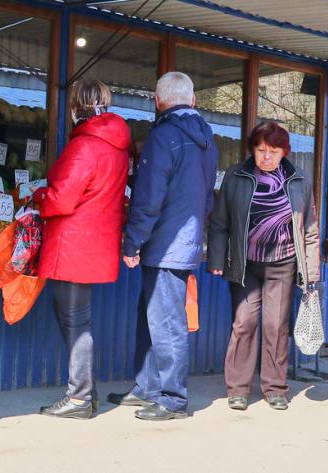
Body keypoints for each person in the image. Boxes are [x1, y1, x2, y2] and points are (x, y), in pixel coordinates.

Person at [109, 72, 218, 421]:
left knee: (167, 322)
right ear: (193, 101)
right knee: (152, 317)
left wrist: (132, 242)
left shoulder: (163, 136)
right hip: (184, 241)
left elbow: (148, 196)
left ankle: (173, 398)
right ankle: (147, 387)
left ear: (157, 101)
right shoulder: (207, 139)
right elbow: (207, 197)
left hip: (165, 244)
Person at [32, 79, 130, 419]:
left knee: (75, 324)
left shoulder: (84, 145)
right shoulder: (117, 146)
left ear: (76, 107)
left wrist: (39, 196)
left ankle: (79, 398)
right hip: (96, 245)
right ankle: (87, 395)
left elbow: (61, 199)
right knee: (79, 321)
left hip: (73, 246)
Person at [207, 122, 320, 411]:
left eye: (273, 151)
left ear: (284, 152)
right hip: (245, 264)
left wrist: (311, 272)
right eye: (260, 150)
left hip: (283, 264)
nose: (266, 156)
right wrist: (217, 259)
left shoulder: (299, 180)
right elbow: (219, 222)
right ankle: (238, 388)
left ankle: (275, 387)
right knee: (244, 322)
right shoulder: (236, 176)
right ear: (252, 150)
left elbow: (309, 229)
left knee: (275, 325)